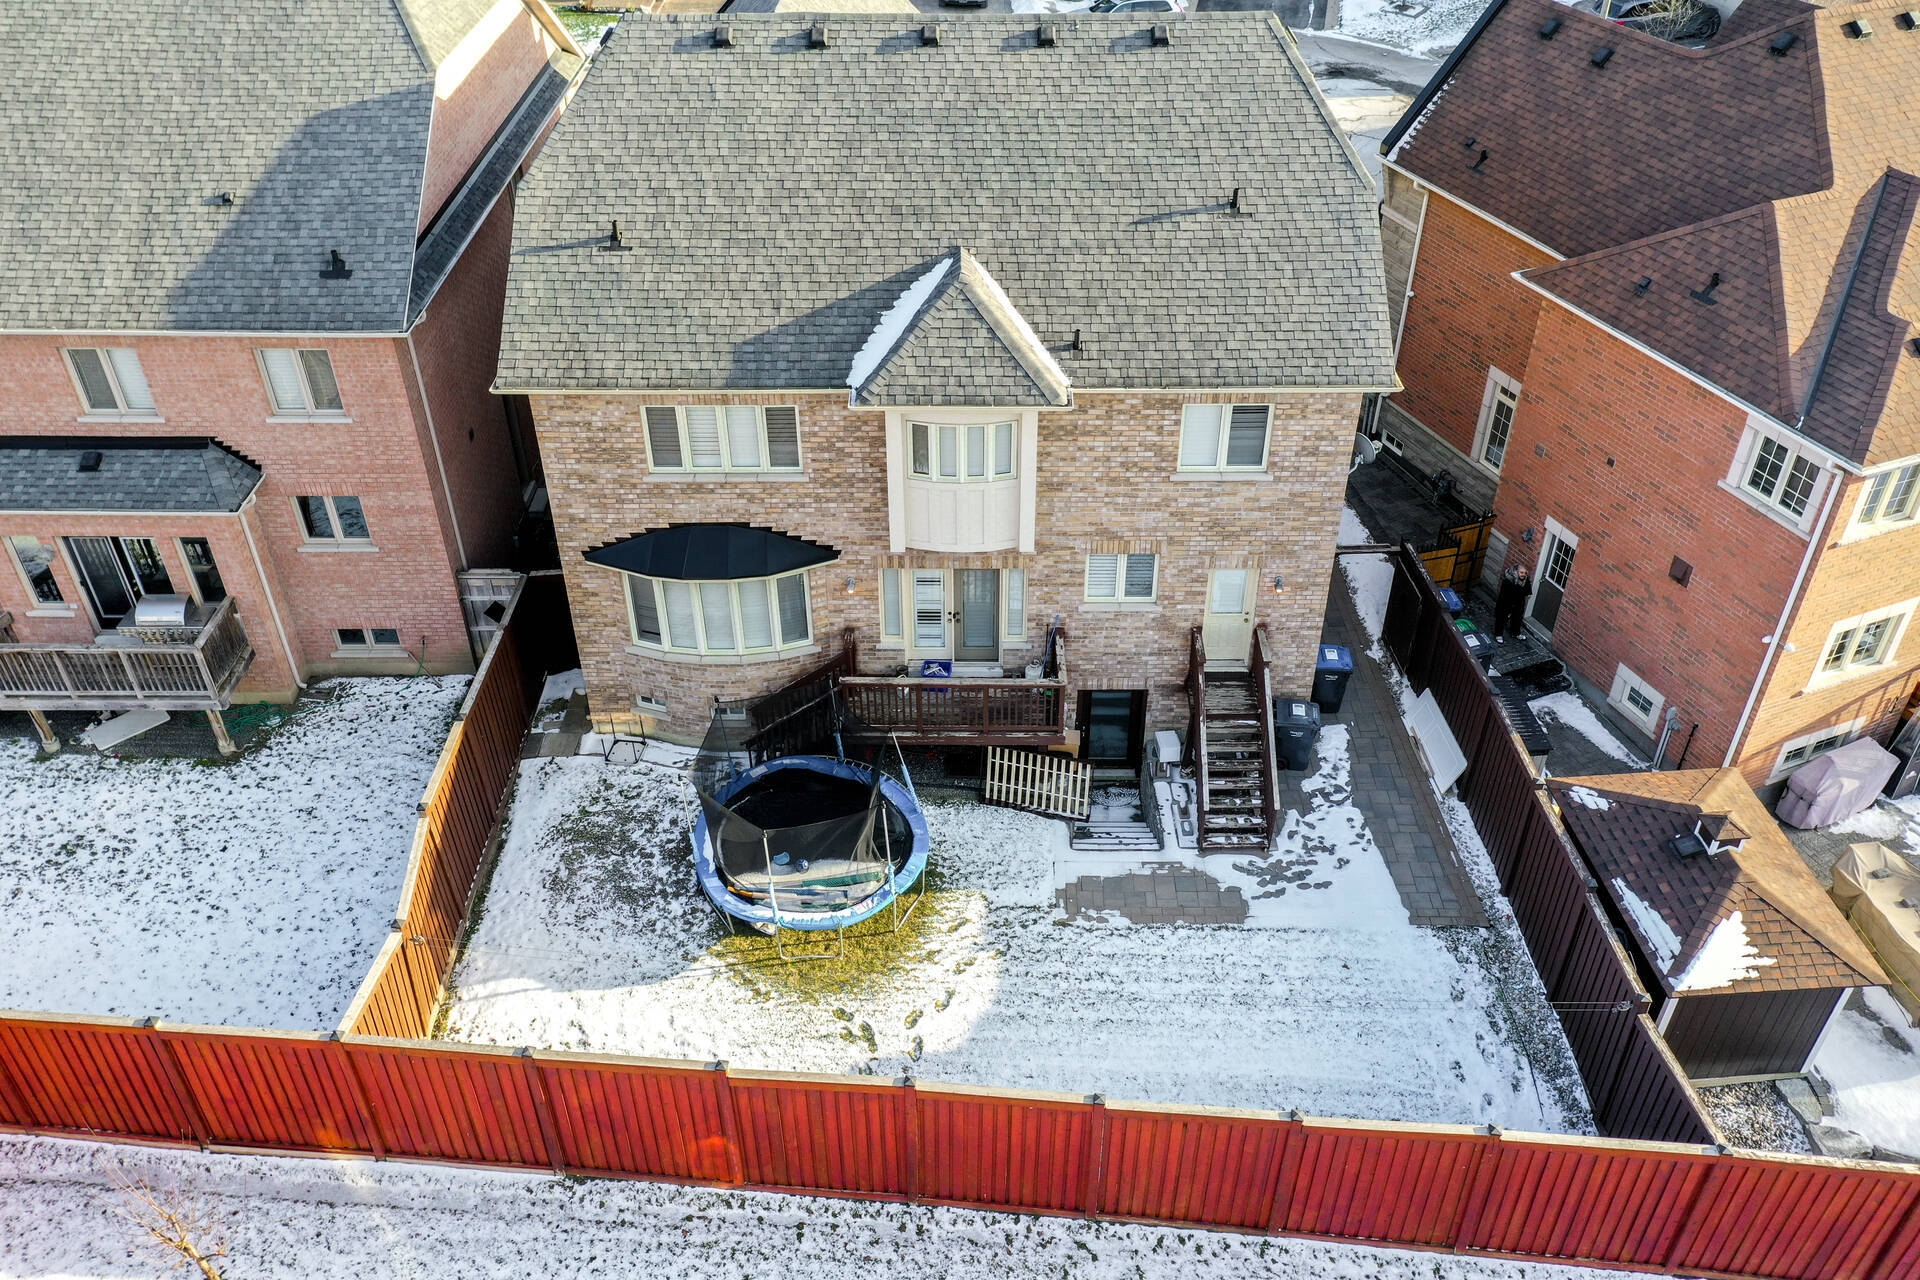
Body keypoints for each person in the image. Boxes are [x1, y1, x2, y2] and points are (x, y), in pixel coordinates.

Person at [1493, 564, 1531, 643]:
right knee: (1502, 618)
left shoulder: (1525, 579)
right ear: (1516, 572)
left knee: (1517, 618)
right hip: (1506, 602)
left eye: (1525, 573)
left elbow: (1528, 587)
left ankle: (1515, 633)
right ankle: (1498, 634)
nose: (1523, 575)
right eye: (1521, 573)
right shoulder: (1508, 580)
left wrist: (1528, 593)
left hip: (1519, 602)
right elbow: (1504, 594)